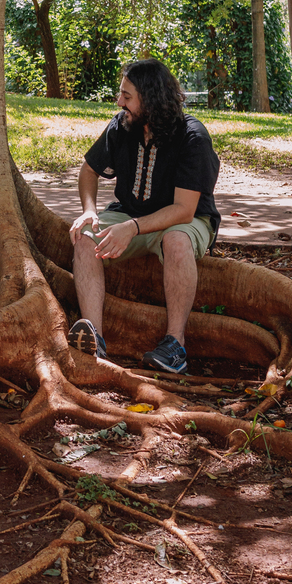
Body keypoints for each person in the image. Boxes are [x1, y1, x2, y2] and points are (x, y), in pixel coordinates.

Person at [67, 59, 221, 374]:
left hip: (184, 221)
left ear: (150, 100)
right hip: (128, 215)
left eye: (127, 96)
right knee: (84, 236)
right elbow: (89, 171)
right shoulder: (122, 125)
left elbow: (184, 210)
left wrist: (132, 228)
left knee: (177, 241)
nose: (119, 101)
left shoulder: (193, 137)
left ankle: (174, 345)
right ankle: (93, 335)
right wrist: (89, 211)